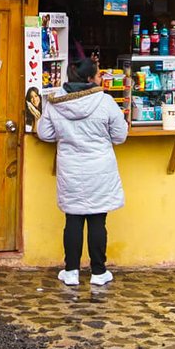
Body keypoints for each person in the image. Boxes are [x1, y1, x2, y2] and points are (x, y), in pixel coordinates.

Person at [36, 57, 128, 286]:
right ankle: (98, 272)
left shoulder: (56, 101)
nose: (100, 79)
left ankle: (71, 271)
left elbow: (45, 134)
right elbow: (120, 136)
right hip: (100, 169)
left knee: (73, 219)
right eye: (98, 75)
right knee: (98, 220)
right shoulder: (105, 102)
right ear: (89, 78)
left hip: (71, 169)